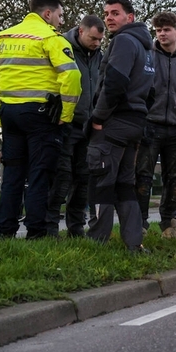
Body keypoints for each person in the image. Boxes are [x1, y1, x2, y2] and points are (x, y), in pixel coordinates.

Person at [0, 0, 82, 239]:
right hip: (41, 116)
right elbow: (72, 76)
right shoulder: (51, 38)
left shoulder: (0, 38)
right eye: (60, 15)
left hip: (10, 114)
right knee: (39, 174)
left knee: (12, 175)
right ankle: (36, 233)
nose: (61, 21)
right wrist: (66, 114)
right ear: (47, 14)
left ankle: (6, 232)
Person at [86, 0, 155, 252]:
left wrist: (98, 118)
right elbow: (152, 91)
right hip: (135, 123)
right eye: (106, 14)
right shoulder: (147, 48)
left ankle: (97, 242)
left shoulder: (124, 41)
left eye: (115, 13)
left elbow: (114, 83)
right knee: (125, 185)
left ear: (130, 17)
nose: (109, 18)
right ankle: (134, 243)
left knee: (101, 180)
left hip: (114, 122)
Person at [135, 11, 176, 239]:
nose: (162, 34)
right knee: (143, 176)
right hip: (150, 125)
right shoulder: (146, 57)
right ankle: (139, 224)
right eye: (158, 30)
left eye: (166, 30)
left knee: (175, 178)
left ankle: (169, 225)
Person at [45, 15, 104, 237]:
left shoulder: (100, 56)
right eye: (93, 38)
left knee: (84, 178)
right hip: (65, 123)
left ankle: (76, 227)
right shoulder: (61, 47)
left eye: (100, 40)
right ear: (80, 31)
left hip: (89, 127)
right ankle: (50, 226)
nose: (97, 43)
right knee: (61, 177)